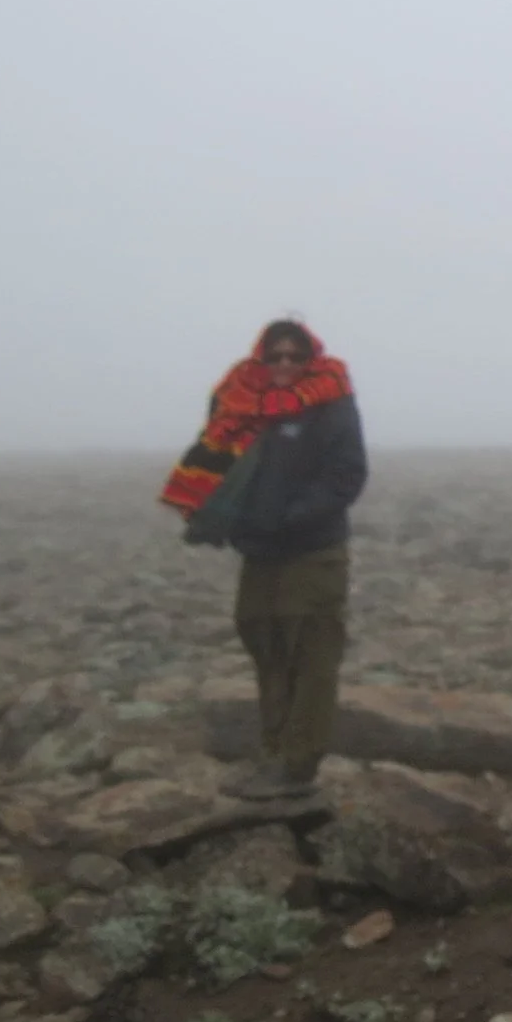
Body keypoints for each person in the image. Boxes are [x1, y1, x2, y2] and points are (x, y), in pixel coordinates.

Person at [161, 319, 368, 799]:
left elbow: (346, 477)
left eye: (296, 356)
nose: (285, 365)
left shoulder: (331, 403)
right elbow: (218, 464)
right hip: (260, 553)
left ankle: (297, 767)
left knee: (311, 656)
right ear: (262, 358)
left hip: (312, 553)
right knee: (266, 646)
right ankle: (273, 753)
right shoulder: (242, 403)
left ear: (311, 358)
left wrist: (285, 517)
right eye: (275, 356)